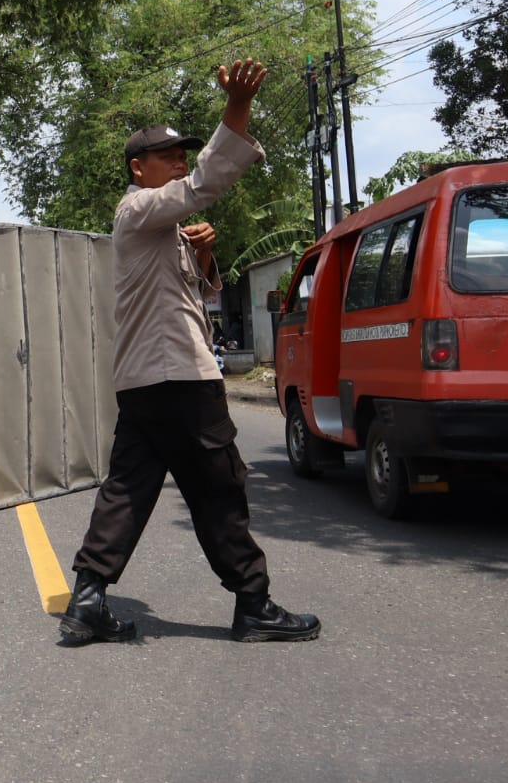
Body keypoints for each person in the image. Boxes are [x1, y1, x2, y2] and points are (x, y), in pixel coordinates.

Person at [59, 58, 320, 645]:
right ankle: (253, 604)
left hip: (145, 382)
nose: (179, 160)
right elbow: (205, 183)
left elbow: (195, 295)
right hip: (180, 378)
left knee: (127, 488)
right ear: (138, 169)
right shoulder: (137, 209)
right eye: (168, 155)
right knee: (219, 487)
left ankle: (88, 600)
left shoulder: (162, 225)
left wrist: (203, 255)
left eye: (183, 152)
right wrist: (238, 106)